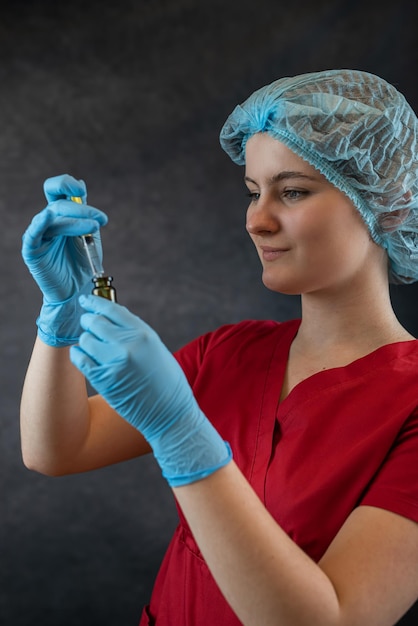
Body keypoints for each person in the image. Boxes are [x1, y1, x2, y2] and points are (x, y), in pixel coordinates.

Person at [20, 68, 418, 626]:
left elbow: (333, 619)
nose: (257, 220)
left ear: (394, 206)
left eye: (294, 191)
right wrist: (58, 319)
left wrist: (181, 432)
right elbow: (55, 450)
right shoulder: (228, 354)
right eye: (254, 193)